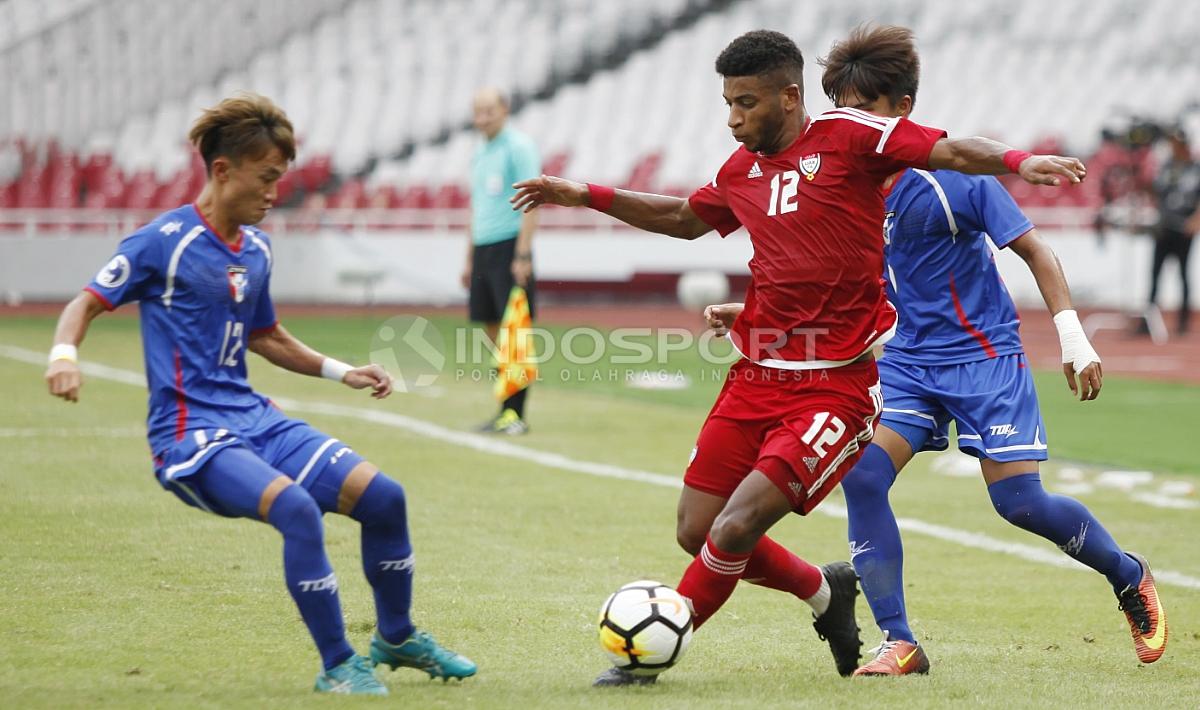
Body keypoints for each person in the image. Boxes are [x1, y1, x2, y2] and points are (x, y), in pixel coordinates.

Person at [510, 29, 1086, 687]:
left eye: (746, 103)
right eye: (727, 103)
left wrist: (1017, 160)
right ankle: (824, 591)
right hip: (755, 377)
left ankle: (650, 652)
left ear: (789, 97)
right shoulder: (741, 171)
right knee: (696, 529)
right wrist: (586, 195)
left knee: (736, 525)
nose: (732, 119)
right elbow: (683, 218)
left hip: (834, 390)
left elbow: (950, 148)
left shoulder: (851, 137)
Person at [44, 93, 476, 695]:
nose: (276, 193)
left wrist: (340, 370)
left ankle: (397, 638)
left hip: (255, 419)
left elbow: (266, 336)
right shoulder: (162, 241)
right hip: (188, 434)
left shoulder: (256, 249)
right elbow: (85, 303)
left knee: (384, 498)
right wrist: (64, 355)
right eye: (267, 178)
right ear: (223, 171)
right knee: (297, 509)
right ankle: (338, 667)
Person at [775, 24, 1160, 675]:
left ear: (901, 109)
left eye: (863, 106)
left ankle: (1129, 575)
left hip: (983, 358)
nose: (850, 121)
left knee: (1019, 504)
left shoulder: (953, 177)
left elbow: (1035, 250)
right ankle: (899, 640)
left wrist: (1073, 337)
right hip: (905, 363)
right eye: (840, 107)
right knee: (863, 473)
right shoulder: (841, 184)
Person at [466, 87, 541, 434]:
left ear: (505, 109)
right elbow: (477, 206)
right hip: (484, 248)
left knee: (514, 333)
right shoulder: (480, 152)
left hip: (510, 247)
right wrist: (469, 258)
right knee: (493, 331)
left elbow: (532, 201)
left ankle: (516, 414)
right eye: (477, 112)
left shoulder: (519, 147)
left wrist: (523, 253)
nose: (482, 118)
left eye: (488, 111)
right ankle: (503, 408)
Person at [1147, 127, 1200, 334]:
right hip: (1165, 227)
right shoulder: (1167, 167)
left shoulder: (1195, 169)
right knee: (1154, 274)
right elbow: (1157, 192)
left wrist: (1196, 220)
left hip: (1183, 229)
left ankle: (1183, 322)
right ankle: (1148, 320)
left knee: (1183, 275)